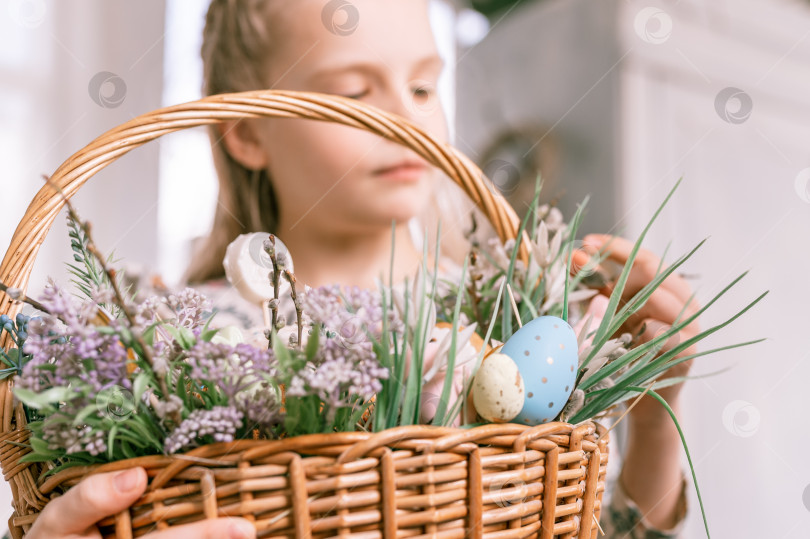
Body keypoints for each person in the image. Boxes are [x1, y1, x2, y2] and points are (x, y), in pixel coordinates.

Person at [26, 1, 696, 537]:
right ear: (250, 130)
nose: (406, 117)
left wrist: (659, 412)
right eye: (353, 91)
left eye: (424, 84)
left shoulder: (495, 323)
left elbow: (594, 528)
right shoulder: (178, 341)